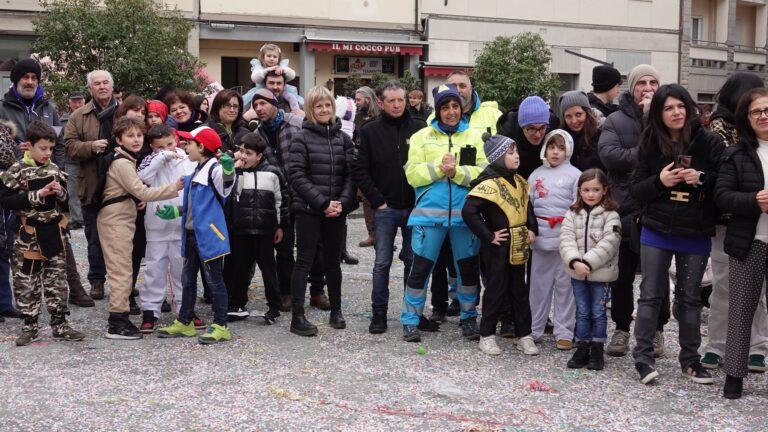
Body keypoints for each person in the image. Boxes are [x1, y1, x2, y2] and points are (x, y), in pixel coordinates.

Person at [629, 84, 723, 385]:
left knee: (689, 298)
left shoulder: (708, 142)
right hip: (656, 228)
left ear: (689, 107)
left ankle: (690, 360)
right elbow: (636, 190)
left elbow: (724, 182)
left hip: (694, 231)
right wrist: (660, 181)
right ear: (658, 113)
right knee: (650, 296)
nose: (676, 112)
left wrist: (702, 178)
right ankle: (642, 357)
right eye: (669, 108)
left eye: (680, 106)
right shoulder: (650, 142)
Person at [0, 59, 94, 311]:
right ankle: (17, 300)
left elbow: (59, 143)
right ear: (15, 81)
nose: (30, 82)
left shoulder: (48, 107)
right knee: (16, 240)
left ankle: (74, 288)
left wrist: (58, 172)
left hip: (47, 179)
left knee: (59, 234)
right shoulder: (3, 108)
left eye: (34, 77)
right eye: (25, 77)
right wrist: (14, 154)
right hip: (17, 181)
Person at [401, 83, 487, 343]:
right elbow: (412, 175)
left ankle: (469, 317)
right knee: (420, 270)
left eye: (455, 106)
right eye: (445, 107)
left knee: (468, 271)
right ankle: (410, 320)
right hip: (429, 216)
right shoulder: (421, 137)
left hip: (465, 217)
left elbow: (483, 175)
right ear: (437, 111)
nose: (451, 111)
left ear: (462, 108)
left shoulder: (474, 136)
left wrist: (457, 172)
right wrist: (440, 168)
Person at [597, 64, 668, 358]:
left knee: (657, 275)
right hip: (625, 208)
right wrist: (646, 153)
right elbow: (610, 157)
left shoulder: (666, 118)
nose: (648, 87)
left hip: (659, 207)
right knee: (622, 276)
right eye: (642, 83)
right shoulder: (615, 120)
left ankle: (657, 329)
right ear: (632, 87)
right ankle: (622, 328)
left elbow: (675, 155)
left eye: (653, 82)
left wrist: (653, 119)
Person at [702, 72, 768, 372]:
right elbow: (720, 182)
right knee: (725, 286)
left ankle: (757, 346)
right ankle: (717, 345)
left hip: (760, 224)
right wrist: (751, 197)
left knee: (759, 291)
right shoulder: (719, 130)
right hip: (728, 222)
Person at [0, 120, 85, 346]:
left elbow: (65, 200)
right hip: (27, 236)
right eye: (43, 148)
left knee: (57, 280)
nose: (48, 153)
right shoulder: (16, 170)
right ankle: (29, 326)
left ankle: (60, 325)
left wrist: (59, 192)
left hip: (53, 232)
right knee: (26, 281)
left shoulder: (54, 168)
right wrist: (36, 194)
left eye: (50, 148)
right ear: (29, 146)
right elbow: (5, 200)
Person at [96, 117, 182, 339]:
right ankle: (117, 322)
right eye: (130, 136)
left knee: (123, 270)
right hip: (116, 221)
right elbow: (142, 191)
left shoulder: (126, 159)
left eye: (138, 135)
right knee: (121, 272)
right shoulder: (123, 163)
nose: (136, 140)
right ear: (119, 139)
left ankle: (120, 318)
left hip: (121, 219)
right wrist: (174, 189)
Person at [354, 80, 426, 334]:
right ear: (382, 103)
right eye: (392, 101)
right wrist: (378, 201)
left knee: (413, 262)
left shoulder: (420, 127)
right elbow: (360, 169)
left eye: (401, 100)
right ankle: (379, 314)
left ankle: (413, 314)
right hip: (385, 209)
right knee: (382, 263)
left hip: (414, 209)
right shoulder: (369, 130)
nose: (397, 105)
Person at [251, 88, 329, 312]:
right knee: (283, 248)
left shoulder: (296, 123)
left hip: (304, 193)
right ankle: (287, 292)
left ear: (274, 103)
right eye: (255, 106)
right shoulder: (257, 133)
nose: (259, 109)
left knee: (313, 246)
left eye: (263, 104)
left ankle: (317, 291)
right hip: (278, 199)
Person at [155, 126, 236, 344]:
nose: (185, 146)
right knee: (188, 280)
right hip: (191, 236)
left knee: (214, 281)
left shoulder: (215, 170)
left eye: (189, 143)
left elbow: (227, 185)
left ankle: (221, 325)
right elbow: (193, 206)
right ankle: (185, 321)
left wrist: (229, 168)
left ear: (202, 147)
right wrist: (176, 211)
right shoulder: (194, 173)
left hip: (209, 237)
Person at [287, 85, 356, 337]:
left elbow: (351, 174)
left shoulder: (343, 139)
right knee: (304, 261)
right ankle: (297, 317)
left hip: (336, 211)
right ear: (310, 110)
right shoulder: (301, 139)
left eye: (327, 104)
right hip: (308, 210)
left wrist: (341, 203)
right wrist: (322, 203)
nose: (324, 109)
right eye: (319, 106)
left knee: (333, 262)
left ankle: (336, 310)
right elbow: (296, 175)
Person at [462, 134, 539, 355]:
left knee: (519, 290)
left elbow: (527, 209)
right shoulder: (488, 184)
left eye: (516, 152)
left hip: (519, 244)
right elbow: (469, 211)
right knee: (496, 289)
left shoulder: (521, 182)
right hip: (498, 247)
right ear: (497, 157)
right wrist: (489, 235)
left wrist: (532, 229)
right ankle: (486, 335)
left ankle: (523, 334)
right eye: (510, 153)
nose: (517, 157)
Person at [64, 69, 119, 302]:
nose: (102, 87)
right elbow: (68, 146)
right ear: (90, 89)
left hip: (120, 184)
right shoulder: (79, 115)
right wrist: (90, 147)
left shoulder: (123, 111)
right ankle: (97, 281)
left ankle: (123, 282)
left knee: (122, 238)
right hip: (92, 185)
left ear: (112, 86)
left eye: (106, 82)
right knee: (94, 237)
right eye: (97, 84)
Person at [559, 168, 621, 370]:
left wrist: (588, 262)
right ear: (579, 191)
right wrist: (575, 262)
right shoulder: (572, 213)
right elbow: (566, 240)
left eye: (595, 189)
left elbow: (610, 243)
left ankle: (597, 347)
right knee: (582, 312)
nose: (591, 194)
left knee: (598, 312)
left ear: (605, 190)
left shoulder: (611, 215)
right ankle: (582, 345)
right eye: (586, 190)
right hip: (577, 272)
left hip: (600, 274)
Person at [223, 132, 287, 324]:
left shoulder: (273, 173)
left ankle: (274, 307)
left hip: (265, 230)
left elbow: (282, 201)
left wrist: (280, 226)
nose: (243, 156)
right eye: (241, 151)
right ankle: (237, 304)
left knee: (268, 270)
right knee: (240, 269)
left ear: (259, 156)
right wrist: (234, 171)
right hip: (241, 230)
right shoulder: (235, 172)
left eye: (248, 153)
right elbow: (226, 193)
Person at [528, 130, 581, 349]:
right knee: (538, 287)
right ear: (545, 149)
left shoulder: (575, 174)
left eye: (560, 148)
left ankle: (564, 331)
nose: (555, 152)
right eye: (552, 147)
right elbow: (528, 206)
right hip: (540, 239)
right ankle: (533, 328)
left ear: (567, 149)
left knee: (565, 288)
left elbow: (579, 206)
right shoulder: (535, 174)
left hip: (564, 238)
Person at [135, 124, 191, 332]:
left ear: (175, 139)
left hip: (180, 223)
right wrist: (161, 157)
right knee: (154, 269)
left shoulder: (187, 159)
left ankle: (185, 309)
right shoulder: (150, 161)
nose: (168, 149)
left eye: (170, 144)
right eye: (161, 147)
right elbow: (142, 178)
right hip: (156, 224)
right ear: (152, 147)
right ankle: (150, 311)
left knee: (181, 269)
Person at [496, 96, 560, 179]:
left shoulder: (554, 128)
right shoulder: (507, 133)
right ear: (521, 126)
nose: (538, 135)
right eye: (532, 128)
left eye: (542, 128)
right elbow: (498, 168)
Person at [242, 43, 303, 115]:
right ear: (263, 57)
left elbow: (292, 75)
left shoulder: (281, 66)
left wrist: (283, 69)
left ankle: (295, 110)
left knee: (291, 97)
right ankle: (252, 111)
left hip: (282, 92)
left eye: (275, 57)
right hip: (261, 91)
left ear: (278, 59)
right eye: (269, 56)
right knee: (255, 98)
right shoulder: (260, 67)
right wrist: (266, 70)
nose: (272, 59)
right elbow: (255, 78)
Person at [353, 86, 379, 248]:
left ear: (367, 100)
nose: (356, 102)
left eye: (358, 99)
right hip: (363, 164)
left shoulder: (381, 116)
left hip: (380, 165)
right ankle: (371, 235)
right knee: (367, 201)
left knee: (381, 202)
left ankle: (382, 235)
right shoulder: (356, 117)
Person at [559, 91, 605, 171]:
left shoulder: (601, 136)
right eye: (568, 116)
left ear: (587, 113)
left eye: (578, 114)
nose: (574, 121)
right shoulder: (560, 139)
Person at [61, 91, 86, 231]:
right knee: (73, 192)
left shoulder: (91, 117)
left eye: (80, 101)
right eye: (74, 101)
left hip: (88, 159)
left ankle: (88, 217)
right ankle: (77, 219)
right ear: (70, 103)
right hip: (71, 161)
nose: (77, 104)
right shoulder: (63, 120)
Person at [206, 89, 248, 154]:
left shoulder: (246, 133)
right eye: (227, 106)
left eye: (235, 106)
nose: (232, 110)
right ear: (217, 107)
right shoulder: (205, 131)